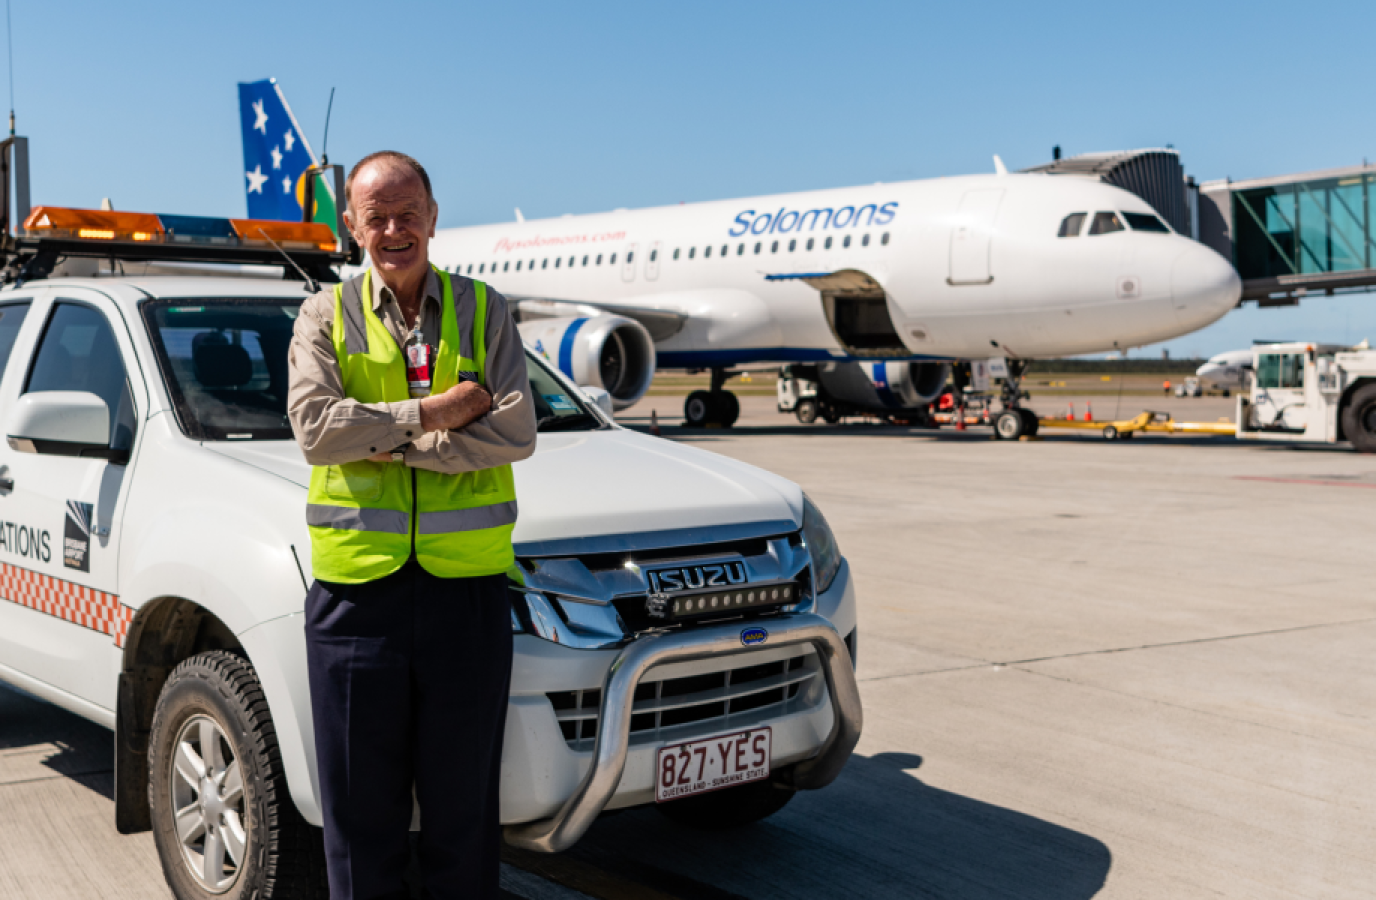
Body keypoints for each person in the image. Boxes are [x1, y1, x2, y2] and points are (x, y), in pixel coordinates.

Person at [287, 150, 536, 899]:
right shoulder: (323, 314)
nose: (394, 229)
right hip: (358, 600)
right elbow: (314, 428)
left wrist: (388, 441)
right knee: (361, 822)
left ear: (432, 216)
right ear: (352, 227)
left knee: (464, 819)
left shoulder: (484, 309)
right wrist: (433, 414)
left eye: (407, 214)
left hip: (467, 598)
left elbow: (516, 432)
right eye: (377, 217)